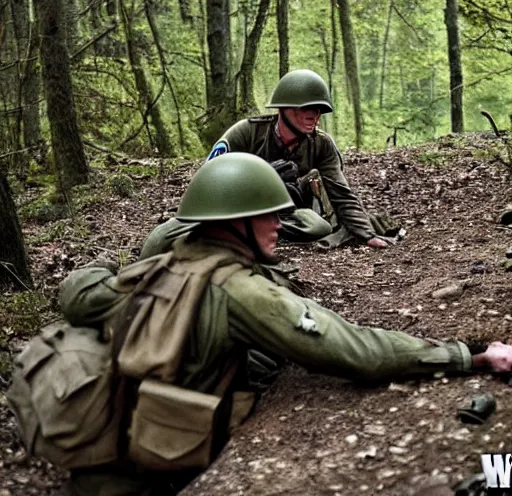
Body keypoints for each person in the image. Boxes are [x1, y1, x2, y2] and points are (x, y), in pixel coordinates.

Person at [57, 153, 512, 495]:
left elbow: (77, 295)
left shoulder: (147, 271)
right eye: (269, 213)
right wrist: (470, 354)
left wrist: (103, 264)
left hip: (101, 455)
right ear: (235, 223)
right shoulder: (239, 291)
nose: (280, 223)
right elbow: (356, 352)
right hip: (158, 473)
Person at [141, 69, 396, 260]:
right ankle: (241, 232)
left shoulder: (322, 144)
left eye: (318, 109)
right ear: (283, 109)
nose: (313, 115)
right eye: (306, 107)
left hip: (286, 215)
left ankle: (260, 234)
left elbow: (341, 192)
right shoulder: (246, 133)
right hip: (238, 210)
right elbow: (210, 179)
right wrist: (257, 179)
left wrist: (366, 234)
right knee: (161, 240)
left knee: (319, 226)